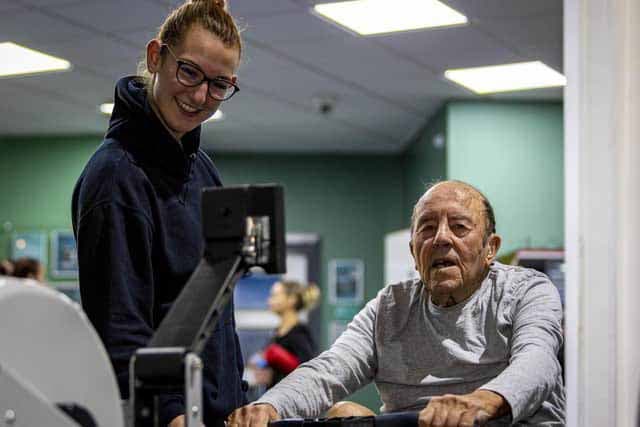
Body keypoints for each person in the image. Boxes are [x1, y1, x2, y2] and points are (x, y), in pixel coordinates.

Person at [228, 180, 565, 427]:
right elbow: (329, 370)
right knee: (345, 413)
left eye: (459, 227)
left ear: (490, 248)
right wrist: (270, 406)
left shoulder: (526, 290)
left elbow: (537, 362)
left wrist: (481, 401)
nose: (441, 238)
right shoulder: (391, 306)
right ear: (414, 251)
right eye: (428, 228)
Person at [71, 1, 245, 426]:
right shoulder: (115, 177)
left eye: (220, 85)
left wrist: (240, 400)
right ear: (156, 56)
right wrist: (172, 416)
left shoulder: (202, 168)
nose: (201, 96)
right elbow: (120, 328)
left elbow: (220, 319)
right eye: (189, 72)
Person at [250, 281, 320, 389]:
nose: (269, 300)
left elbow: (307, 372)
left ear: (291, 300)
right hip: (273, 397)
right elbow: (264, 360)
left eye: (275, 296)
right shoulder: (277, 332)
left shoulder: (299, 333)